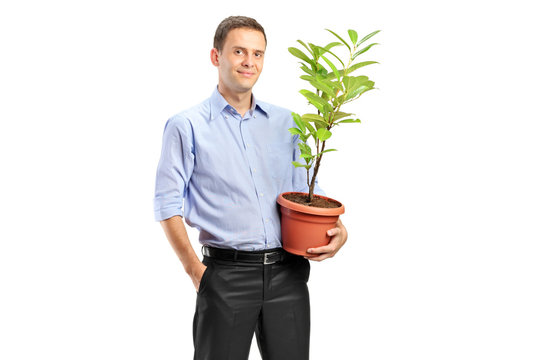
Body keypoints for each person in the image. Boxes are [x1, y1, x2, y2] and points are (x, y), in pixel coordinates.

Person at [154, 16, 348, 360]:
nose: (249, 62)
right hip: (226, 278)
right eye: (239, 52)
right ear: (216, 57)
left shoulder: (289, 123)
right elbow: (167, 204)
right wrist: (195, 272)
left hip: (288, 275)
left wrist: (336, 230)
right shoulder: (187, 126)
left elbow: (308, 194)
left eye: (257, 54)